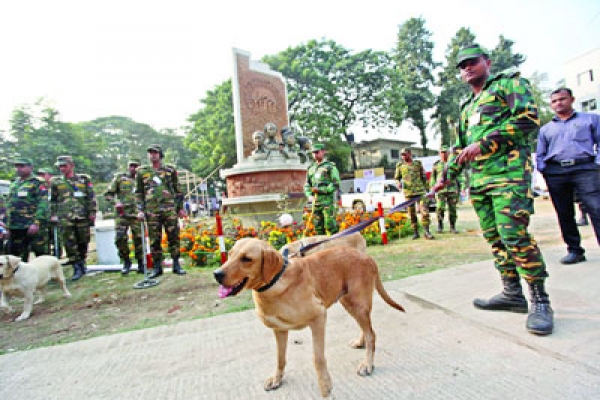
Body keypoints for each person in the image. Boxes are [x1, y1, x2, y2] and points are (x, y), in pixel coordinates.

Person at [432, 44, 553, 335]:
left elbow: (528, 119)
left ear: (487, 62)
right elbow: (460, 150)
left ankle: (540, 300)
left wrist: (484, 143)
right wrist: (445, 177)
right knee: (496, 238)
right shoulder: (466, 109)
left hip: (510, 176)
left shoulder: (509, 83)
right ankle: (512, 293)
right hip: (481, 184)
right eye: (461, 66)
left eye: (472, 62)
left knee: (514, 234)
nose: (467, 69)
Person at [536, 87, 599, 264]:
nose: (559, 103)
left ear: (572, 99)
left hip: (584, 169)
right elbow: (540, 153)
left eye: (562, 99)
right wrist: (544, 169)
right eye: (554, 101)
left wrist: (597, 164)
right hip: (556, 172)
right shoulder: (546, 129)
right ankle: (575, 250)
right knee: (564, 212)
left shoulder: (590, 120)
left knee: (596, 208)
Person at [136, 144, 186, 278]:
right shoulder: (142, 172)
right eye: (150, 152)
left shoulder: (169, 170)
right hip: (151, 211)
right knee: (154, 239)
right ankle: (157, 267)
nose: (153, 155)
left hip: (169, 209)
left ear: (160, 154)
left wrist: (180, 208)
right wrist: (140, 210)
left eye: (155, 153)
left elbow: (178, 190)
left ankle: (176, 264)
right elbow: (139, 193)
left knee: (173, 236)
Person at [50, 155, 97, 281]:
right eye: (60, 166)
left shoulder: (84, 179)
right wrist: (53, 215)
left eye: (64, 166)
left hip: (82, 216)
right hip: (65, 217)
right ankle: (76, 266)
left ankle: (82, 262)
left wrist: (92, 212)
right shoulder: (56, 182)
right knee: (69, 242)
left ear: (71, 166)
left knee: (84, 240)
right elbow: (53, 200)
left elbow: (91, 197)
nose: (62, 168)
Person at [2, 157, 49, 261]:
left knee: (41, 255)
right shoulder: (14, 184)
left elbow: (43, 203)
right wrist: (7, 225)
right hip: (15, 226)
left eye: (22, 166)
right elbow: (9, 205)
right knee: (16, 257)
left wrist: (36, 222)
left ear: (30, 167)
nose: (19, 168)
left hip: (31, 224)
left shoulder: (37, 182)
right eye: (17, 166)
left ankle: (46, 276)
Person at [104, 158, 144, 275]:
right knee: (120, 238)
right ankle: (126, 261)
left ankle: (141, 262)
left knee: (139, 239)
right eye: (131, 166)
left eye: (136, 166)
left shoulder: (142, 179)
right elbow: (108, 194)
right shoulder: (120, 178)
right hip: (122, 214)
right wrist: (116, 202)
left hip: (137, 214)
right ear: (128, 166)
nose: (133, 168)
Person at [394, 148, 434, 240]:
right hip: (409, 193)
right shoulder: (400, 166)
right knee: (411, 214)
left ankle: (427, 232)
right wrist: (398, 183)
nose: (403, 156)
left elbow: (424, 177)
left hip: (420, 192)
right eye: (402, 155)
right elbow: (396, 178)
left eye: (405, 154)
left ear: (410, 154)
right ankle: (415, 232)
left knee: (424, 212)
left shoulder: (417, 164)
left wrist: (428, 191)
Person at [303, 143, 341, 235]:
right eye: (313, 153)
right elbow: (307, 184)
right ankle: (323, 247)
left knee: (330, 225)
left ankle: (334, 246)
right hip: (315, 203)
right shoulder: (311, 168)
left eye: (317, 152)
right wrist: (309, 195)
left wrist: (321, 190)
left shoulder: (330, 166)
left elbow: (335, 183)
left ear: (323, 152)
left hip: (327, 202)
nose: (315, 155)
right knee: (318, 227)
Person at [430, 146, 460, 234]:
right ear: (439, 154)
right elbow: (433, 178)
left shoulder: (453, 163)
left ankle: (453, 226)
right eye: (442, 153)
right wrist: (432, 189)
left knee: (453, 209)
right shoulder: (436, 165)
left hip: (452, 189)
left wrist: (460, 188)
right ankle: (440, 225)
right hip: (440, 190)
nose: (443, 154)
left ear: (448, 153)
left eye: (445, 152)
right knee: (440, 208)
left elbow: (458, 176)